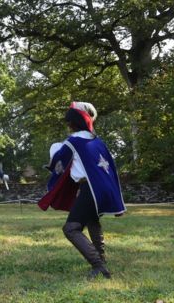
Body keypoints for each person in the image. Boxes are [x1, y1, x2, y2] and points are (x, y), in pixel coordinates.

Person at [38, 102, 126, 279]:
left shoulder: (73, 141)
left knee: (70, 228)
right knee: (92, 221)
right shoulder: (98, 142)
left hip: (90, 187)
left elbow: (58, 164)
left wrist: (54, 152)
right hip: (102, 188)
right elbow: (111, 170)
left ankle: (98, 265)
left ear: (72, 123)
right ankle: (101, 259)